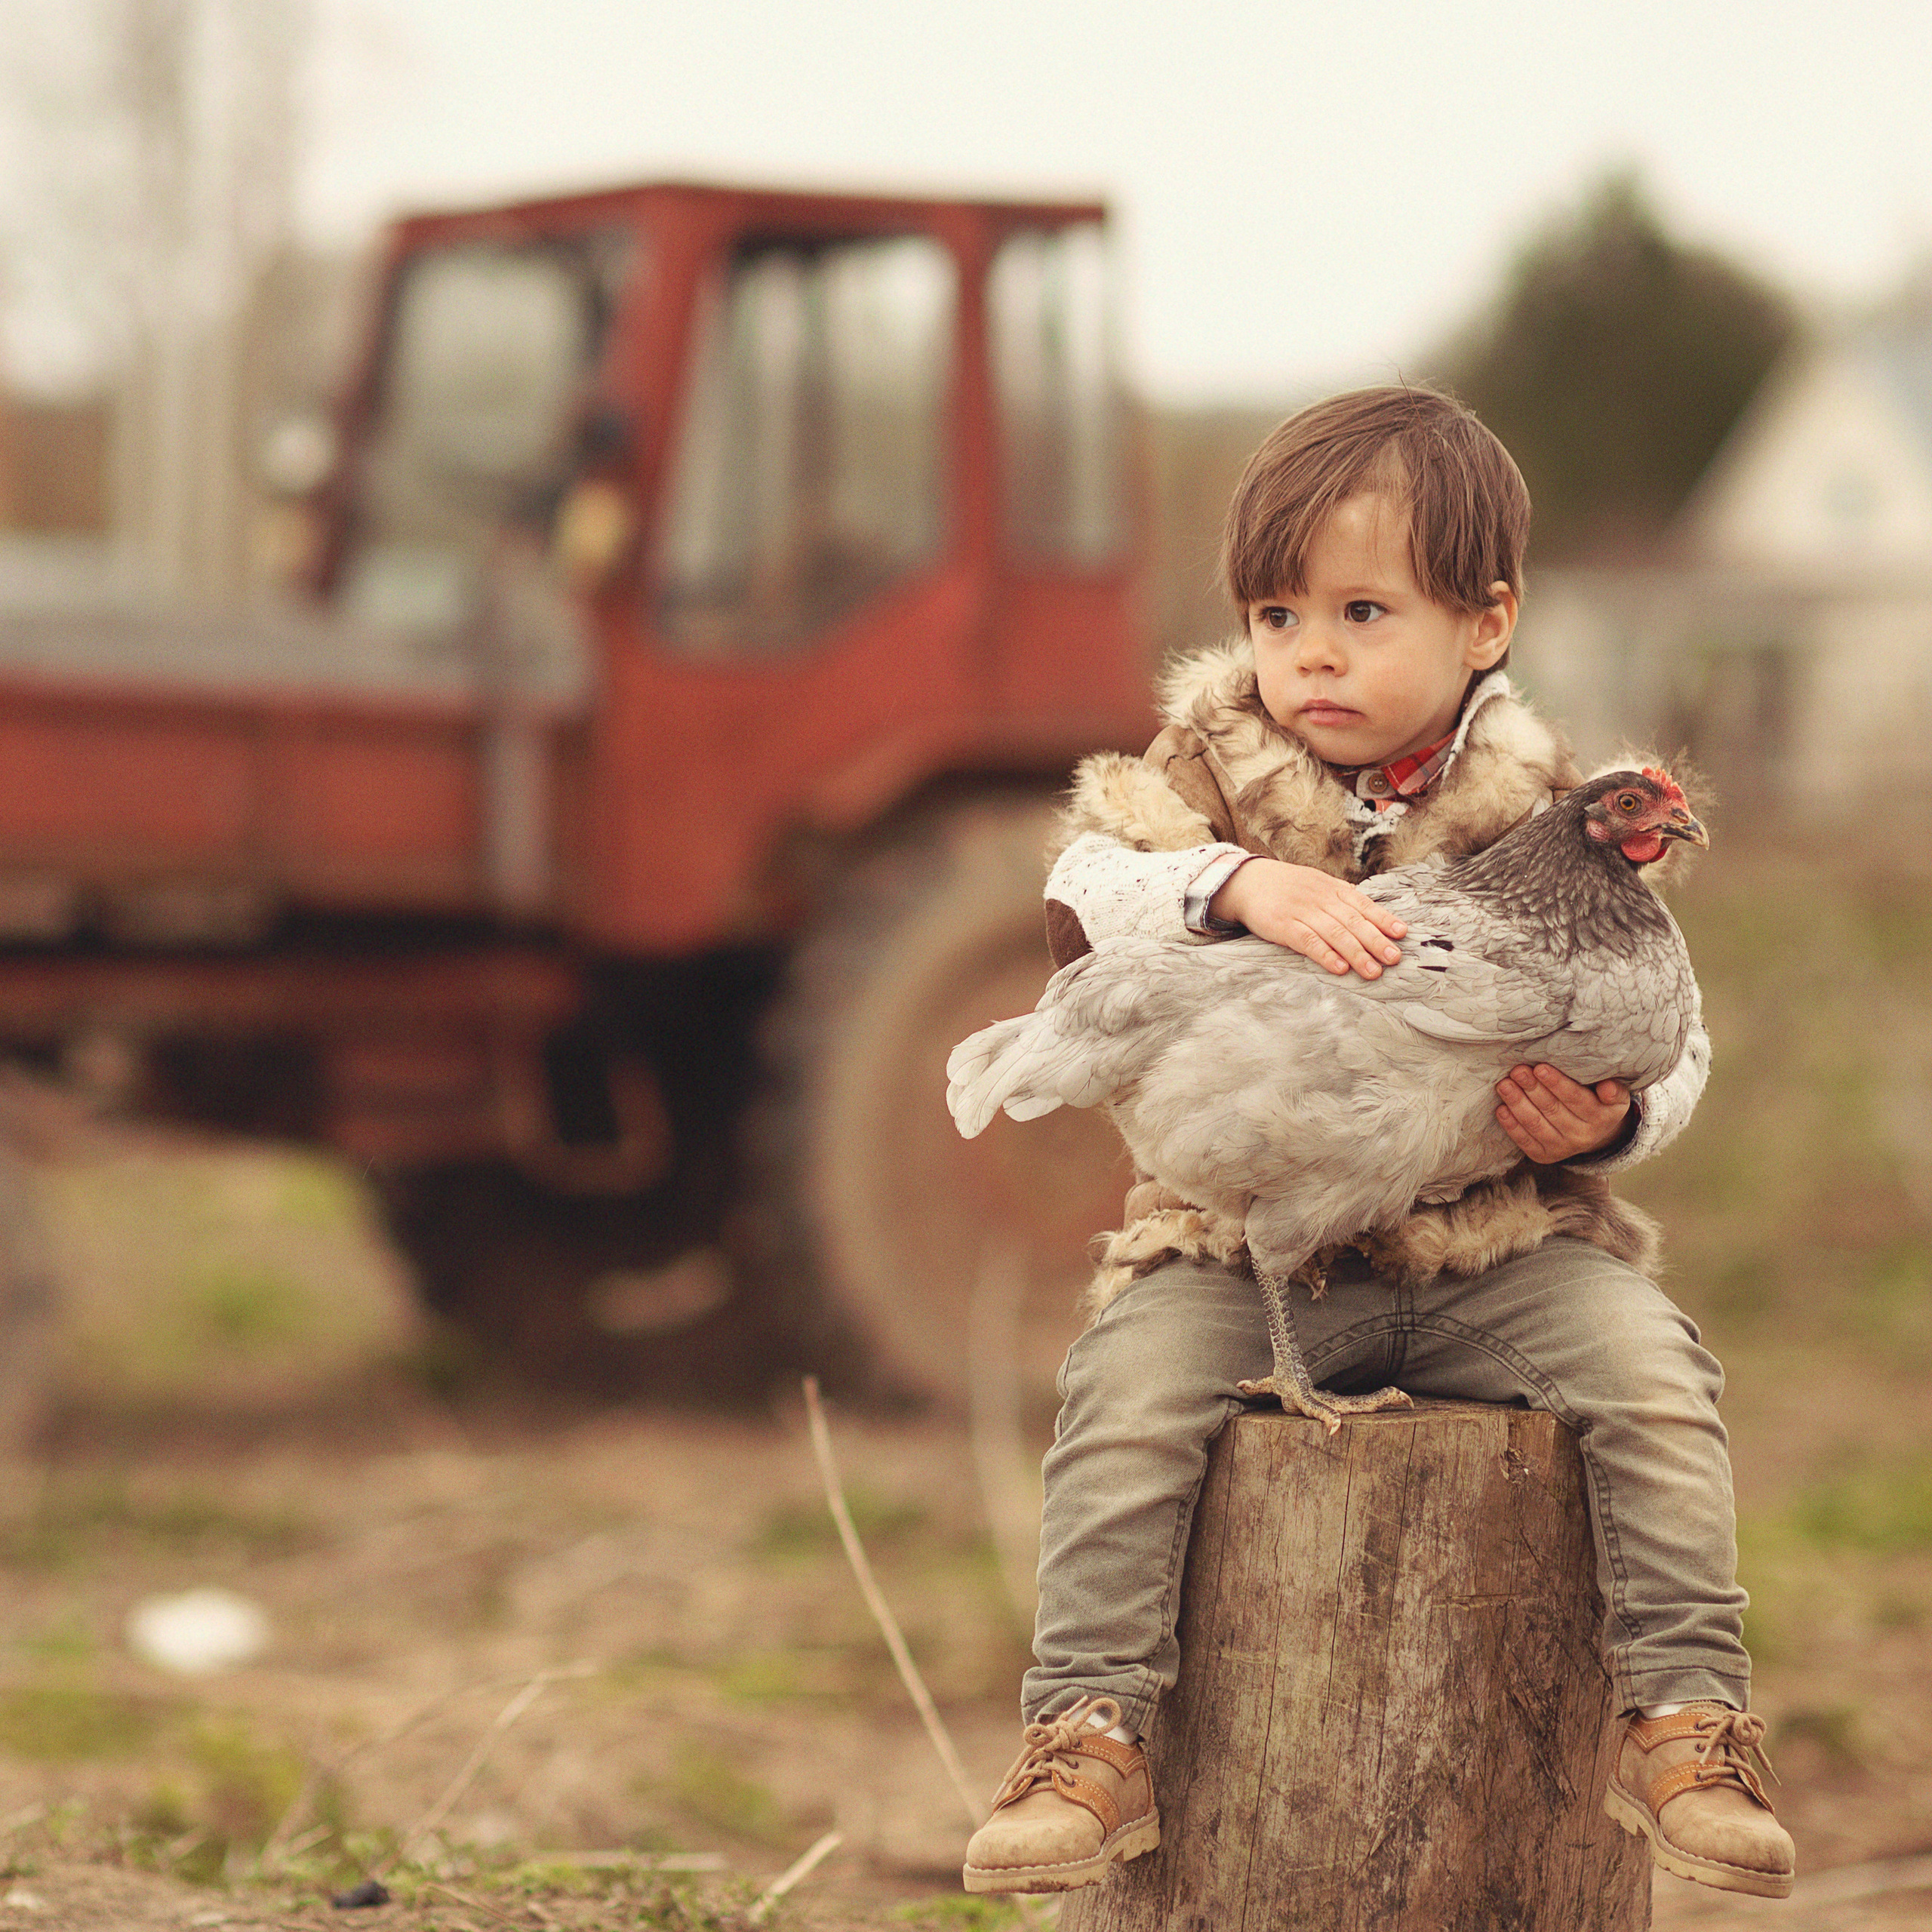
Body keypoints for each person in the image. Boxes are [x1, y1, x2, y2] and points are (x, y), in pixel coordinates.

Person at [961, 386, 1794, 1902]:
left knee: (1655, 1377)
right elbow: (1082, 895)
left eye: (1361, 611)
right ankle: (1087, 1729)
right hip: (1232, 1251)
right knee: (1124, 1398)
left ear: (1486, 624)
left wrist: (1612, 1121)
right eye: (1277, 615)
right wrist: (1233, 887)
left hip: (1492, 1249)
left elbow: (1668, 1031)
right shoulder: (1206, 771)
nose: (1313, 655)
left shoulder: (1548, 806)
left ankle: (1683, 1715)